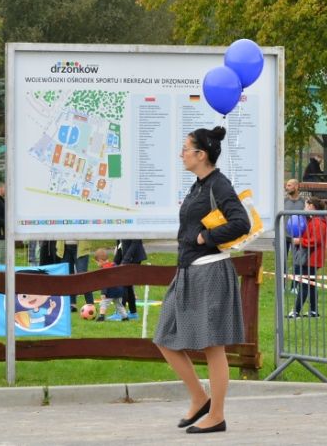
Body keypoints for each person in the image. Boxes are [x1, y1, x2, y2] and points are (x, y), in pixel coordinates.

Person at [153, 126, 250, 434]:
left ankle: (217, 415)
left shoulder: (219, 184)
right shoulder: (199, 185)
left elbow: (241, 222)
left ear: (201, 154)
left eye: (185, 149)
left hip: (210, 272)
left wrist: (206, 237)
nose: (181, 154)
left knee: (212, 346)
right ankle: (199, 397)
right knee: (164, 337)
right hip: (187, 271)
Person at [288, 197, 327, 318]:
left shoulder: (318, 222)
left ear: (311, 206)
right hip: (310, 258)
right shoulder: (314, 220)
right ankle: (313, 311)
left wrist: (299, 241)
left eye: (306, 205)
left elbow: (315, 240)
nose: (304, 208)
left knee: (304, 284)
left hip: (311, 258)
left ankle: (296, 311)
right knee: (311, 285)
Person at [114, 238, 147, 318]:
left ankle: (121, 313)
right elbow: (120, 244)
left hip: (133, 257)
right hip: (125, 257)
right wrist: (115, 261)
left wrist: (126, 259)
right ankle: (133, 312)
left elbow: (136, 242)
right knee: (128, 285)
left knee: (124, 284)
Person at [94, 247, 128, 322]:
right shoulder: (114, 265)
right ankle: (125, 317)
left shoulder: (104, 270)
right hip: (119, 290)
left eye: (97, 262)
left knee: (103, 303)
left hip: (110, 291)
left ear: (100, 260)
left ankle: (102, 316)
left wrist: (103, 293)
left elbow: (105, 282)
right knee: (119, 305)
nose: (97, 264)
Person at [61, 240, 95, 313]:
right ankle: (72, 304)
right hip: (64, 247)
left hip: (81, 247)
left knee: (83, 276)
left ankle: (90, 303)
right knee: (68, 276)